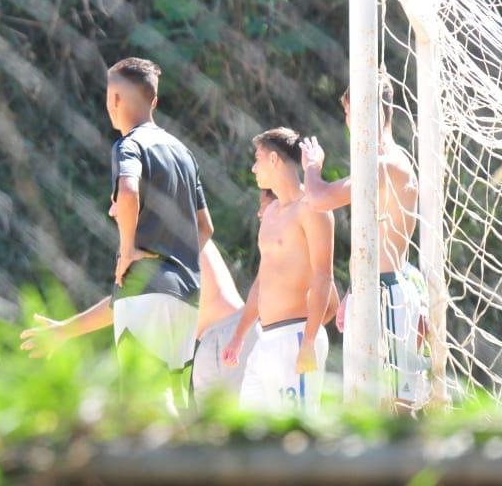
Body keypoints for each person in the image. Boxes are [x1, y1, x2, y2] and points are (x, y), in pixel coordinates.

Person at [19, 189, 273, 407]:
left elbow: (120, 303)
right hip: (219, 340)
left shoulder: (161, 234)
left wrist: (65, 330)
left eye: (117, 201)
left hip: (228, 339)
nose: (111, 211)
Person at [299, 78, 428, 409]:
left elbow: (319, 198)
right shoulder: (379, 162)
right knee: (363, 407)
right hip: (370, 290)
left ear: (372, 112)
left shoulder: (390, 164)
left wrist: (312, 168)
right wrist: (354, 291)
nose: (347, 120)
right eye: (345, 112)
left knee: (396, 406)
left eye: (350, 111)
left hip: (388, 293)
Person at [103, 57, 211, 411]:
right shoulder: (183, 153)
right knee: (175, 400)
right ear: (154, 101)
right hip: (186, 295)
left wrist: (128, 250)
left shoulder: (129, 145)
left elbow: (130, 193)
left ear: (115, 99)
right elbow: (205, 227)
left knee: (143, 403)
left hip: (144, 291)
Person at [223, 128, 335, 413]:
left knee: (295, 438)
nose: (253, 167)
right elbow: (262, 281)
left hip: (296, 337)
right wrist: (238, 337)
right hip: (265, 340)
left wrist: (309, 340)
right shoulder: (270, 213)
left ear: (274, 159)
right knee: (249, 435)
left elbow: (324, 276)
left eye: (258, 159)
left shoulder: (312, 207)